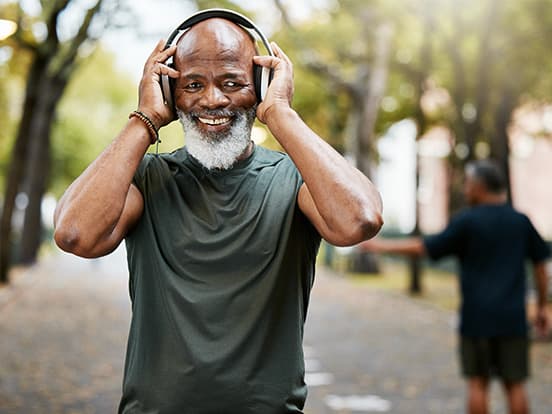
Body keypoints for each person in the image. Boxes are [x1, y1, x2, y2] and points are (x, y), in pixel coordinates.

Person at [53, 9, 383, 414]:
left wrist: (281, 113)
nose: (213, 99)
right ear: (171, 91)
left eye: (233, 82)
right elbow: (73, 234)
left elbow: (361, 218)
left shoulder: (295, 180)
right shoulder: (146, 177)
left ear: (260, 87)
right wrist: (145, 119)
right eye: (193, 84)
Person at [360, 159, 550, 414]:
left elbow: (424, 247)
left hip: (476, 317)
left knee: (477, 383)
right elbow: (540, 265)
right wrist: (542, 306)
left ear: (481, 186)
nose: (465, 190)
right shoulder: (520, 221)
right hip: (512, 318)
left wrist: (380, 246)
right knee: (515, 384)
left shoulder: (467, 222)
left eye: (468, 184)